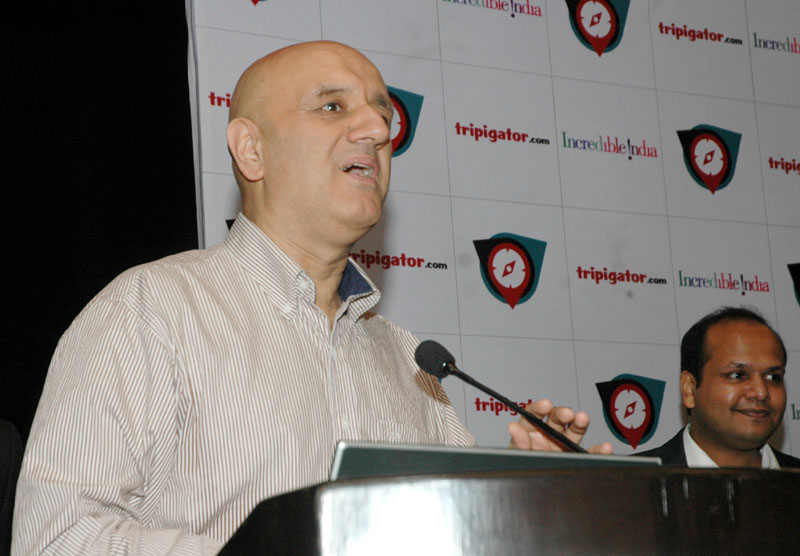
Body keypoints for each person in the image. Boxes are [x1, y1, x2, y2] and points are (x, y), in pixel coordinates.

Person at [12, 41, 609, 555]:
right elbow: (57, 539)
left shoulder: (411, 361)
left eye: (382, 113)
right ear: (251, 150)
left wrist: (530, 499)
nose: (379, 130)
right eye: (332, 107)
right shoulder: (151, 312)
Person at [635, 306, 799, 469]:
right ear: (689, 389)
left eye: (773, 377)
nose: (761, 392)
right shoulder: (631, 480)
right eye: (738, 375)